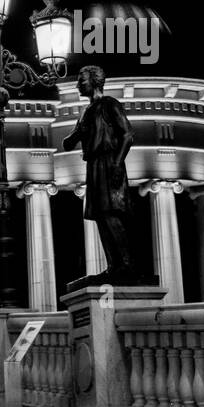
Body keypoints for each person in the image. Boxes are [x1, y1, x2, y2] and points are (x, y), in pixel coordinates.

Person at [63, 64, 137, 281]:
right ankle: (113, 265)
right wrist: (78, 132)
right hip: (93, 164)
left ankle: (126, 264)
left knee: (111, 213)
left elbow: (127, 135)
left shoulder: (109, 104)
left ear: (94, 81)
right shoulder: (86, 113)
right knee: (100, 216)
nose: (78, 84)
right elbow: (68, 144)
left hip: (109, 162)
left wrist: (117, 162)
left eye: (81, 80)